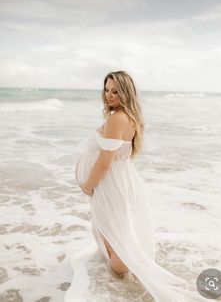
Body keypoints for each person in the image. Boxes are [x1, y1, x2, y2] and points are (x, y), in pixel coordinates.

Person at [65, 71, 206, 302]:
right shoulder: (128, 116)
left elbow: (104, 161)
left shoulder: (116, 119)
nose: (109, 95)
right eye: (107, 90)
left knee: (114, 232)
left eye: (115, 91)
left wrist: (88, 185)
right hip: (119, 179)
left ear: (126, 92)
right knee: (116, 228)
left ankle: (119, 277)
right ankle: (119, 274)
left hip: (108, 181)